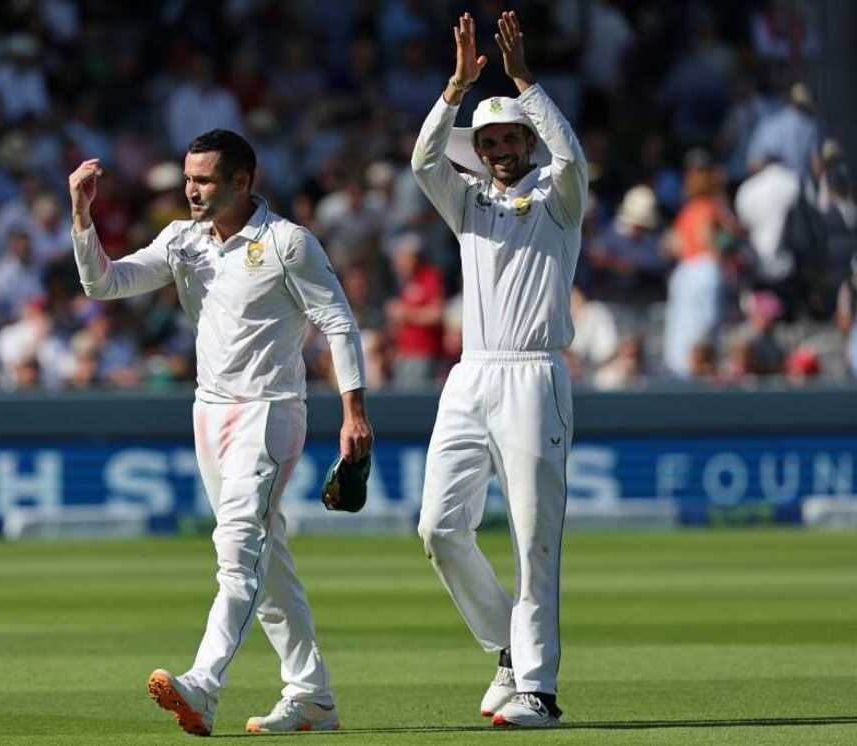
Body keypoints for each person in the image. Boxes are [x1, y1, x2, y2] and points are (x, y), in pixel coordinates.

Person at [68, 129, 373, 736]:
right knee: (265, 555)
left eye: (205, 180)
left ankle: (202, 687)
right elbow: (105, 283)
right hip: (209, 412)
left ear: (241, 181)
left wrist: (354, 410)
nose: (192, 190)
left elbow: (338, 322)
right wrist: (82, 217)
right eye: (188, 179)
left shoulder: (288, 243)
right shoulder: (184, 241)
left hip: (270, 411)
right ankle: (312, 696)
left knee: (237, 551)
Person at [411, 11, 587, 728]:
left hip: (534, 376)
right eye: (489, 143)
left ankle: (538, 691)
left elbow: (571, 158)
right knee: (438, 529)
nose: (501, 150)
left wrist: (524, 84)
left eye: (511, 138)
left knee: (532, 537)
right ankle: (509, 652)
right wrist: (456, 86)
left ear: (527, 140)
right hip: (471, 375)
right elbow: (424, 161)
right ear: (478, 151)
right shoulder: (468, 201)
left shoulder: (558, 201)